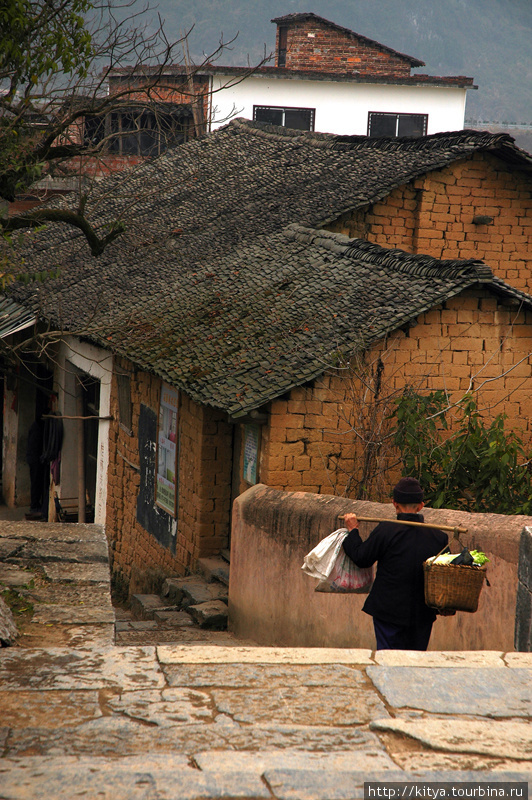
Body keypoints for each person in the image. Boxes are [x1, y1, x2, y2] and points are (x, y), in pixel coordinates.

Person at [343, 477, 453, 651]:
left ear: (394, 504)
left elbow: (361, 558)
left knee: (388, 660)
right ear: (421, 506)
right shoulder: (438, 537)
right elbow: (447, 573)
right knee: (415, 663)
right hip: (422, 613)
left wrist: (353, 531)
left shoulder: (386, 531)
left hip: (388, 611)